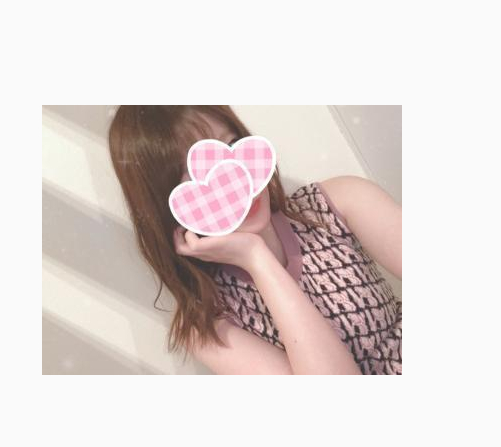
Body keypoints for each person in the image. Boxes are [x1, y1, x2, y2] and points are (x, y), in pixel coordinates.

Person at [108, 105, 401, 374]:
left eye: (231, 147)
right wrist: (256, 259)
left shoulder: (334, 203)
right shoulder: (209, 325)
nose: (237, 181)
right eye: (200, 174)